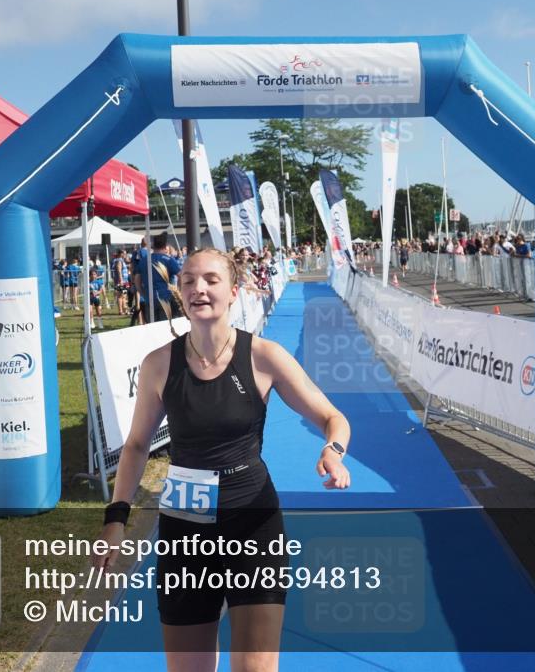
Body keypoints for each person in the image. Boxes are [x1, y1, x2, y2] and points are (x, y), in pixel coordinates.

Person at [93, 247, 351, 669]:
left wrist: (333, 451)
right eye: (189, 280)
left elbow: (332, 417)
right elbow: (137, 445)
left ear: (233, 291)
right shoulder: (159, 364)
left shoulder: (264, 357)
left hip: (253, 520)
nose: (199, 288)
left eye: (211, 280)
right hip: (185, 523)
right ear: (180, 292)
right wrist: (115, 519)